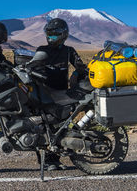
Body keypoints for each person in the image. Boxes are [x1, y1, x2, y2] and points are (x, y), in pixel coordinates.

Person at [32, 17, 87, 171]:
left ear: (63, 35)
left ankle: (53, 159)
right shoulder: (42, 49)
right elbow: (34, 65)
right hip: (43, 92)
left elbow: (80, 66)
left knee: (59, 126)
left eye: (54, 34)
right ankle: (45, 160)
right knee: (43, 125)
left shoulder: (69, 51)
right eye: (49, 34)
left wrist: (86, 74)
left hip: (63, 93)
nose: (51, 38)